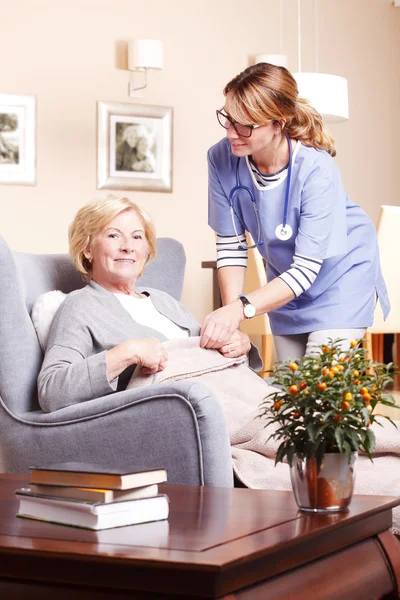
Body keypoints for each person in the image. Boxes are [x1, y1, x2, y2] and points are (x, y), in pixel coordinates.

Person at [201, 62, 390, 361]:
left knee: (319, 383)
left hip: (340, 274)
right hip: (287, 279)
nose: (231, 132)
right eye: (227, 118)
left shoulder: (316, 168)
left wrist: (240, 309)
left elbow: (306, 268)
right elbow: (231, 245)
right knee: (291, 388)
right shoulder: (220, 158)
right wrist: (233, 319)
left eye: (245, 125)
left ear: (278, 123)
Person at [38, 196, 259, 412]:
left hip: (231, 391)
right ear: (87, 248)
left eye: (137, 237)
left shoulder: (164, 301)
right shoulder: (80, 306)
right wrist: (127, 353)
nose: (128, 247)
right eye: (113, 235)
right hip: (188, 409)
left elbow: (208, 353)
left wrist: (240, 345)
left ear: (146, 250)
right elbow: (51, 391)